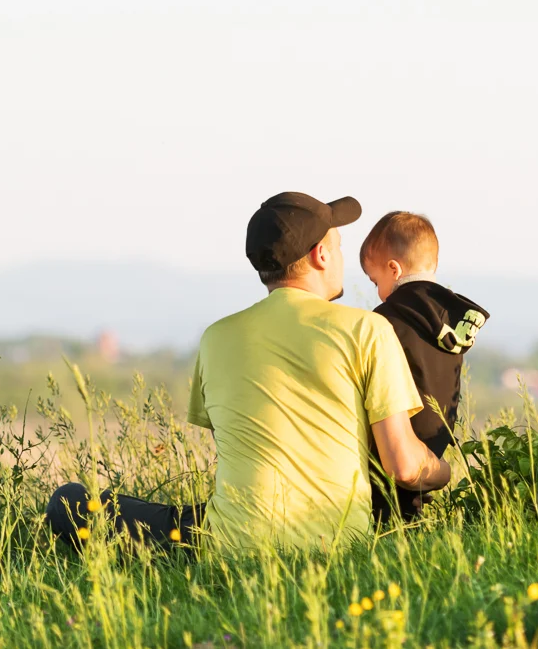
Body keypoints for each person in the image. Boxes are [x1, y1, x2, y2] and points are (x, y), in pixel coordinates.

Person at [46, 192, 450, 551]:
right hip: (341, 540)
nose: (342, 259)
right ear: (320, 255)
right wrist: (444, 471)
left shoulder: (216, 338)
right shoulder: (368, 329)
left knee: (70, 501)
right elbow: (406, 467)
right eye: (339, 247)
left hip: (229, 541)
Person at [360, 212, 488, 522]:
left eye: (376, 280)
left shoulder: (385, 321)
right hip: (434, 443)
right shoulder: (452, 322)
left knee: (384, 518)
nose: (377, 290)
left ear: (394, 269)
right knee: (408, 515)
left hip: (393, 441)